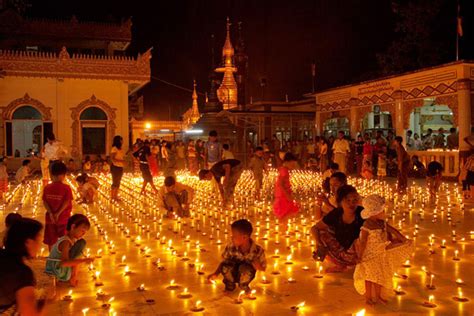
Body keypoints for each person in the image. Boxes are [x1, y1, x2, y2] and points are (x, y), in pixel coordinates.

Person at [354, 195, 413, 305]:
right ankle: (368, 297)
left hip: (381, 254)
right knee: (369, 277)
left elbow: (394, 231)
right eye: (382, 211)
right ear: (374, 212)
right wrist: (360, 256)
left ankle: (378, 296)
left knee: (379, 277)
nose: (384, 212)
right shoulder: (366, 226)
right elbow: (362, 242)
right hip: (369, 256)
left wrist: (403, 239)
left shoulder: (382, 224)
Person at [311, 185, 364, 272]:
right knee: (322, 233)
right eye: (348, 200)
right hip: (341, 251)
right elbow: (314, 228)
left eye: (355, 200)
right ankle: (340, 265)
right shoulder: (337, 213)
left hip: (359, 253)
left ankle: (359, 265)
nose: (352, 203)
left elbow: (377, 226)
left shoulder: (362, 213)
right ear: (340, 202)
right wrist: (320, 244)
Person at [0, 218, 45, 315]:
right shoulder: (21, 273)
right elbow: (29, 313)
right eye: (39, 239)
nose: (41, 245)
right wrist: (44, 303)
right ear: (28, 242)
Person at [207, 219, 266, 294]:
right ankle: (229, 285)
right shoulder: (231, 247)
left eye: (234, 236)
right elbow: (223, 262)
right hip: (232, 272)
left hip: (245, 274)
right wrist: (215, 273)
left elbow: (263, 268)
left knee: (246, 269)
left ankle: (243, 285)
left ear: (244, 237)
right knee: (226, 266)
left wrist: (258, 266)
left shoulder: (258, 251)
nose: (231, 238)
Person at [45, 214, 94, 286]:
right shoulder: (65, 242)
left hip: (54, 268)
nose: (83, 234)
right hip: (56, 270)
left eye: (85, 232)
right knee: (81, 244)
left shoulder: (69, 239)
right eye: (82, 231)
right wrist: (83, 260)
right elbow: (64, 263)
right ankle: (71, 277)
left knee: (80, 243)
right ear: (73, 227)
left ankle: (71, 275)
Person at [42, 162, 73, 250]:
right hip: (63, 219)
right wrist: (58, 213)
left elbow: (45, 202)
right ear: (63, 175)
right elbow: (67, 202)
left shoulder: (47, 187)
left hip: (50, 219)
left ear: (51, 174)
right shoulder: (66, 188)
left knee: (51, 239)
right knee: (64, 238)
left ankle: (52, 256)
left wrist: (51, 213)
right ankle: (64, 256)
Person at [273, 153, 299, 220]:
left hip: (282, 194)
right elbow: (280, 184)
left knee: (285, 212)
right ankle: (283, 226)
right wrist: (287, 195)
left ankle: (283, 225)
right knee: (285, 212)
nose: (293, 166)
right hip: (283, 195)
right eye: (292, 164)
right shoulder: (284, 171)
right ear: (287, 162)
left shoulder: (284, 169)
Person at [110, 135, 125, 201]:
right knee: (115, 181)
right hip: (115, 167)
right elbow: (112, 158)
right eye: (121, 140)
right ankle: (112, 196)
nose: (122, 141)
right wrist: (121, 161)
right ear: (118, 141)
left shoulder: (120, 149)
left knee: (118, 182)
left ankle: (115, 196)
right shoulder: (114, 148)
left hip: (120, 166)